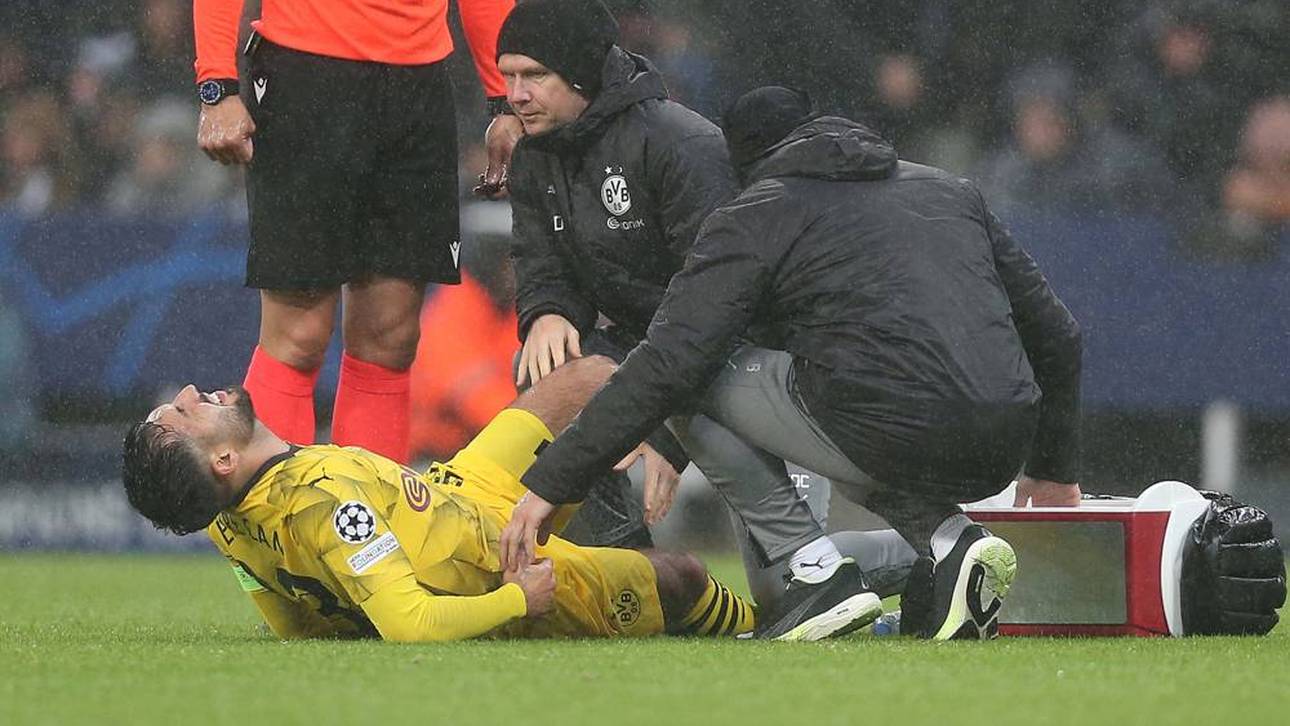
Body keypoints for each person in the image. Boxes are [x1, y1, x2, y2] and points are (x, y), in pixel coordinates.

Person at [502, 86, 1085, 641]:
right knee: (867, 406)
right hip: (1001, 443)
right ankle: (950, 540)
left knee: (693, 370)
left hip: (881, 421)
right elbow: (1057, 334)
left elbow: (671, 359)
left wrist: (553, 482)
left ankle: (812, 567)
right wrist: (1051, 466)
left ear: (740, 162)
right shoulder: (950, 190)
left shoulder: (760, 209)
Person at [496, 0, 877, 639]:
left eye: (533, 75)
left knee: (785, 593)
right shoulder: (535, 154)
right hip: (651, 354)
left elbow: (732, 307)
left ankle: (931, 556)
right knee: (547, 367)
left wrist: (670, 432)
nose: (515, 95)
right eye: (507, 76)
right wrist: (547, 311)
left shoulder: (682, 145)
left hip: (743, 357)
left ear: (581, 74)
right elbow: (538, 255)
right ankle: (627, 572)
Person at [120, 356, 756, 641]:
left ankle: (667, 440)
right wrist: (516, 599)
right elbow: (409, 624)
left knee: (587, 380)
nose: (192, 392)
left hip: (459, 488)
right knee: (682, 577)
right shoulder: (323, 504)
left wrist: (347, 607)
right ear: (223, 461)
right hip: (491, 561)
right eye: (185, 413)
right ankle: (767, 624)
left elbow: (289, 621)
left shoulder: (226, 525)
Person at [193, 0, 524, 464]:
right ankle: (271, 506)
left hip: (418, 83)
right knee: (298, 333)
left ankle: (366, 508)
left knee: (390, 336)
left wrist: (506, 97)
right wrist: (216, 85)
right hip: (304, 72)